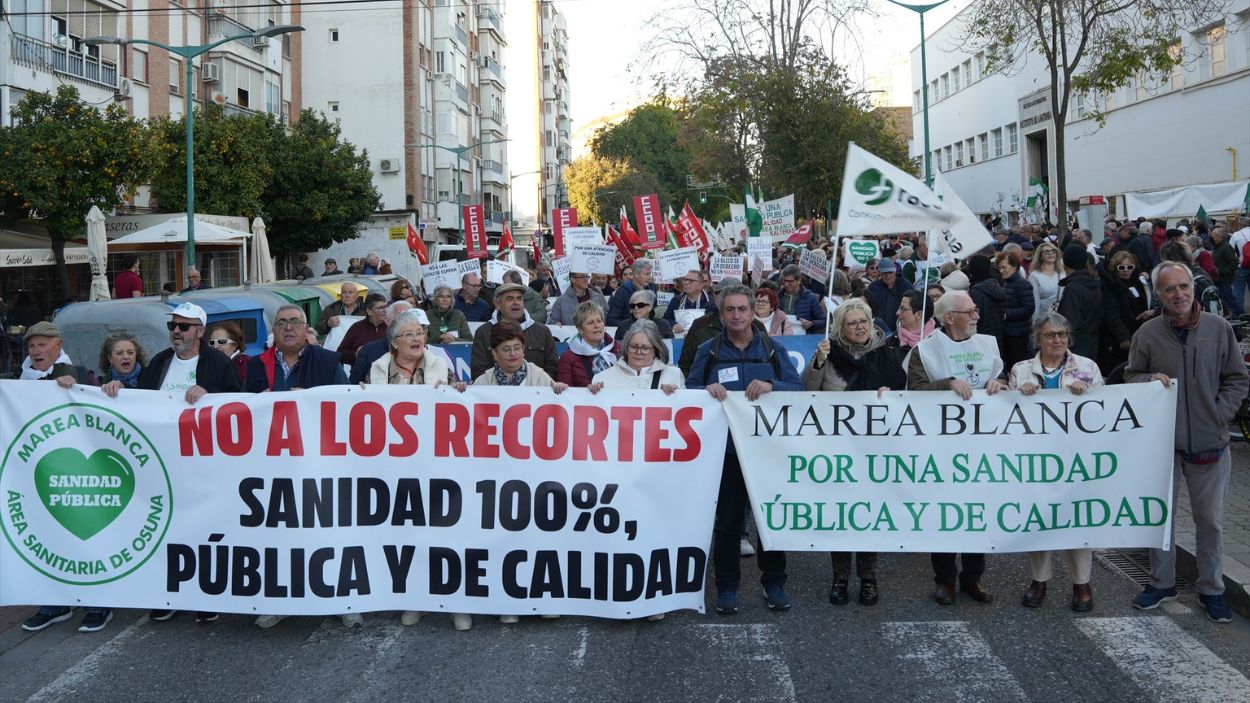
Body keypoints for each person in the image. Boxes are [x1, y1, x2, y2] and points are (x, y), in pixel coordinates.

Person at [1124, 262, 1248, 623]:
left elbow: (1237, 379)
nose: (1178, 295)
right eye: (1169, 289)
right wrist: (1148, 378)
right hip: (1162, 444)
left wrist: (1219, 413)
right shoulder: (1147, 333)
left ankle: (1212, 588)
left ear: (1192, 289)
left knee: (1209, 521)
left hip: (1211, 442)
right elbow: (1130, 375)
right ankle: (1161, 583)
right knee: (1159, 518)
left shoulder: (1218, 328)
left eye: (1183, 287)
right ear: (1159, 295)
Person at [102, 303, 240, 623]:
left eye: (184, 326)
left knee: (207, 531)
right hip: (165, 463)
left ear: (200, 331)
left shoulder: (217, 363)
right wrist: (119, 390)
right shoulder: (161, 362)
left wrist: (210, 393)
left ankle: (207, 595)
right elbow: (143, 403)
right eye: (173, 326)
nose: (176, 331)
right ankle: (171, 593)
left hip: (205, 464)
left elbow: (238, 404)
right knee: (169, 530)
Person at [687, 284, 803, 615]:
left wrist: (772, 386)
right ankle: (726, 587)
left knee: (770, 518)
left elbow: (796, 390)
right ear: (721, 314)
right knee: (726, 523)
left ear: (753, 312)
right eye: (730, 310)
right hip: (725, 453)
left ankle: (774, 583)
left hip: (767, 452)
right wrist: (704, 389)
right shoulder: (708, 351)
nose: (736, 315)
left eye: (742, 309)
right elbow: (690, 391)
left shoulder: (772, 349)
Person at [358, 310, 469, 631]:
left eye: (421, 332)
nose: (418, 338)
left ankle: (455, 601)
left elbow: (458, 405)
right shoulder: (378, 370)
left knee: (446, 534)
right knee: (406, 536)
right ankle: (415, 599)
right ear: (394, 343)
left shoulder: (439, 365)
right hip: (396, 469)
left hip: (438, 465)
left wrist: (461, 392)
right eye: (409, 334)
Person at [907, 291, 1007, 605]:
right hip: (943, 445)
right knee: (946, 510)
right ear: (949, 317)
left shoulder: (987, 344)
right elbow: (915, 390)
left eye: (976, 309)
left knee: (977, 511)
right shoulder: (925, 351)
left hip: (981, 443)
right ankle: (945, 578)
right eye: (971, 311)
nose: (977, 315)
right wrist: (946, 383)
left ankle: (973, 578)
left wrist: (999, 384)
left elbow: (1001, 378)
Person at [806, 299, 905, 607]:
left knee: (869, 514)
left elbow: (904, 391)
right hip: (839, 449)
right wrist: (819, 363)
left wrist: (893, 395)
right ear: (840, 328)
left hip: (875, 449)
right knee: (842, 515)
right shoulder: (827, 352)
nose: (861, 326)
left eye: (864, 321)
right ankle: (839, 578)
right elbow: (809, 389)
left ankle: (868, 578)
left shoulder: (887, 352)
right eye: (852, 323)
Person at [17, 322, 112, 634]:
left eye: (42, 345)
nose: (36, 351)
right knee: (49, 537)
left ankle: (98, 604)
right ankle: (55, 603)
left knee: (87, 537)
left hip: (80, 474)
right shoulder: (18, 383)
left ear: (57, 346)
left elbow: (103, 409)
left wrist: (80, 386)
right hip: (41, 473)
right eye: (32, 346)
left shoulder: (79, 374)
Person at [1008, 312, 1103, 611]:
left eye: (1062, 334)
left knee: (1079, 518)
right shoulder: (1021, 370)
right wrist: (1017, 395)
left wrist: (1087, 395)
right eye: (1050, 335)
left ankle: (1082, 583)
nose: (1057, 340)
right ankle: (1039, 580)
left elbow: (1106, 411)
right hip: (1036, 459)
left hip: (1077, 459)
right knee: (1040, 519)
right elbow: (1005, 417)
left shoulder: (1087, 368)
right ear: (1038, 339)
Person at [248, 305, 349, 392]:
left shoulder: (328, 362)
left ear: (306, 329)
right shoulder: (256, 364)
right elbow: (244, 405)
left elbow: (345, 399)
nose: (288, 327)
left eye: (295, 322)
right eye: (282, 323)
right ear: (274, 331)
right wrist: (258, 398)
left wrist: (312, 399)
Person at [469, 283, 558, 380]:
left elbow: (553, 368)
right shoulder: (483, 332)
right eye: (510, 299)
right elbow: (478, 371)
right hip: (496, 393)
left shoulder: (542, 331)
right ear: (497, 304)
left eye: (519, 298)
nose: (516, 302)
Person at [590, 319, 684, 393]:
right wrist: (593, 395)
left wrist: (676, 396)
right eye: (634, 346)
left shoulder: (673, 375)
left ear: (655, 350)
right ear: (626, 347)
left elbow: (685, 411)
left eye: (645, 348)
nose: (639, 352)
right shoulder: (602, 379)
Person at [471, 319, 568, 391]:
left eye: (517, 348)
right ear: (494, 353)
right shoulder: (482, 382)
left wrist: (558, 392)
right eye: (506, 349)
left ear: (523, 349)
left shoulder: (540, 378)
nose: (513, 353)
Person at [1098, 250, 1154, 373]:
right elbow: (1111, 312)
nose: (1126, 270)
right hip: (1120, 336)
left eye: (1129, 267)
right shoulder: (1110, 285)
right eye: (1121, 267)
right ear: (1115, 267)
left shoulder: (1137, 282)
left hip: (1138, 331)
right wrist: (1122, 335)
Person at [558, 301, 620, 388]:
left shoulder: (618, 349)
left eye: (599, 321)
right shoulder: (568, 357)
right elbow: (566, 394)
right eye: (590, 322)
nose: (596, 325)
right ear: (580, 329)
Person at [1057, 245, 1103, 360]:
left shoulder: (1073, 288)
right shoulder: (1092, 283)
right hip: (1091, 344)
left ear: (1065, 263)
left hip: (1076, 348)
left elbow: (1070, 323)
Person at [995, 249, 1035, 366]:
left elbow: (1029, 308)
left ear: (1014, 266)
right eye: (1000, 268)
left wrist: (1007, 314)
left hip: (1018, 334)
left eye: (1004, 267)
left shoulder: (1022, 284)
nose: (1001, 271)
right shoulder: (1007, 283)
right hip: (1009, 331)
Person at [337, 292, 389, 365]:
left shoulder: (392, 326)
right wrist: (356, 354)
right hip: (362, 373)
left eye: (386, 306)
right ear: (369, 311)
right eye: (380, 308)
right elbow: (340, 354)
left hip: (388, 373)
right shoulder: (357, 328)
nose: (385, 310)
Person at [964, 255, 1005, 343]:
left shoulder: (976, 290)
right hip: (997, 333)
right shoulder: (996, 285)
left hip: (981, 336)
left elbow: (975, 315)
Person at [865, 258, 912, 334]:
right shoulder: (873, 287)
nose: (888, 276)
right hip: (879, 330)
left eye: (890, 272)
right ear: (879, 273)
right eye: (884, 273)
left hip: (902, 328)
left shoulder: (905, 286)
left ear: (895, 271)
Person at [606, 259, 657, 327]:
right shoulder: (623, 291)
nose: (649, 277)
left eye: (650, 273)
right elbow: (611, 320)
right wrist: (634, 326)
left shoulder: (652, 287)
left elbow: (655, 312)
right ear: (635, 274)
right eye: (646, 274)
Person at [663, 269, 716, 334]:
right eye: (685, 279)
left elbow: (714, 326)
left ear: (701, 284)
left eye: (691, 281)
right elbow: (665, 320)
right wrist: (673, 325)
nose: (686, 283)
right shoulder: (676, 300)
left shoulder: (710, 303)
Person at [777, 264, 825, 334]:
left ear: (799, 280)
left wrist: (812, 324)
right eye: (784, 281)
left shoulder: (811, 298)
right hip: (781, 339)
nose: (786, 284)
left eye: (789, 281)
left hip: (803, 340)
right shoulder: (778, 297)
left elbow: (823, 321)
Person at [1029, 241, 1066, 323]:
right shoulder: (1034, 276)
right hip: (1044, 318)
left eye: (1053, 251)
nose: (1050, 254)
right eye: (1047, 252)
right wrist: (1035, 323)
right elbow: (1035, 302)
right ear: (1041, 256)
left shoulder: (1062, 273)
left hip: (1061, 317)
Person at [206, 320, 250, 385]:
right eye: (212, 343)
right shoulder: (206, 366)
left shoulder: (247, 364)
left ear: (234, 345)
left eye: (222, 342)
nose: (215, 346)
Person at [1210, 226, 1241, 316]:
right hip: (1220, 278)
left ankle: (1241, 316)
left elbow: (1234, 262)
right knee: (1227, 300)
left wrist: (1222, 272)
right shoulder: (1218, 246)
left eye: (1215, 236)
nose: (1213, 238)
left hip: (1224, 279)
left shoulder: (1226, 247)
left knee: (1230, 300)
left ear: (1220, 236)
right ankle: (1237, 316)